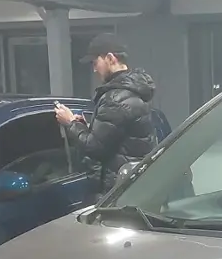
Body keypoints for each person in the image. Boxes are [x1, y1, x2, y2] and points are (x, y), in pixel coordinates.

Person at [55, 33, 157, 197]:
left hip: (117, 189)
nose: (94, 69)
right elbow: (113, 138)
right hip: (132, 184)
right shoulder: (132, 92)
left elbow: (95, 148)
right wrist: (85, 127)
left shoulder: (115, 99)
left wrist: (70, 123)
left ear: (110, 58)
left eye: (95, 62)